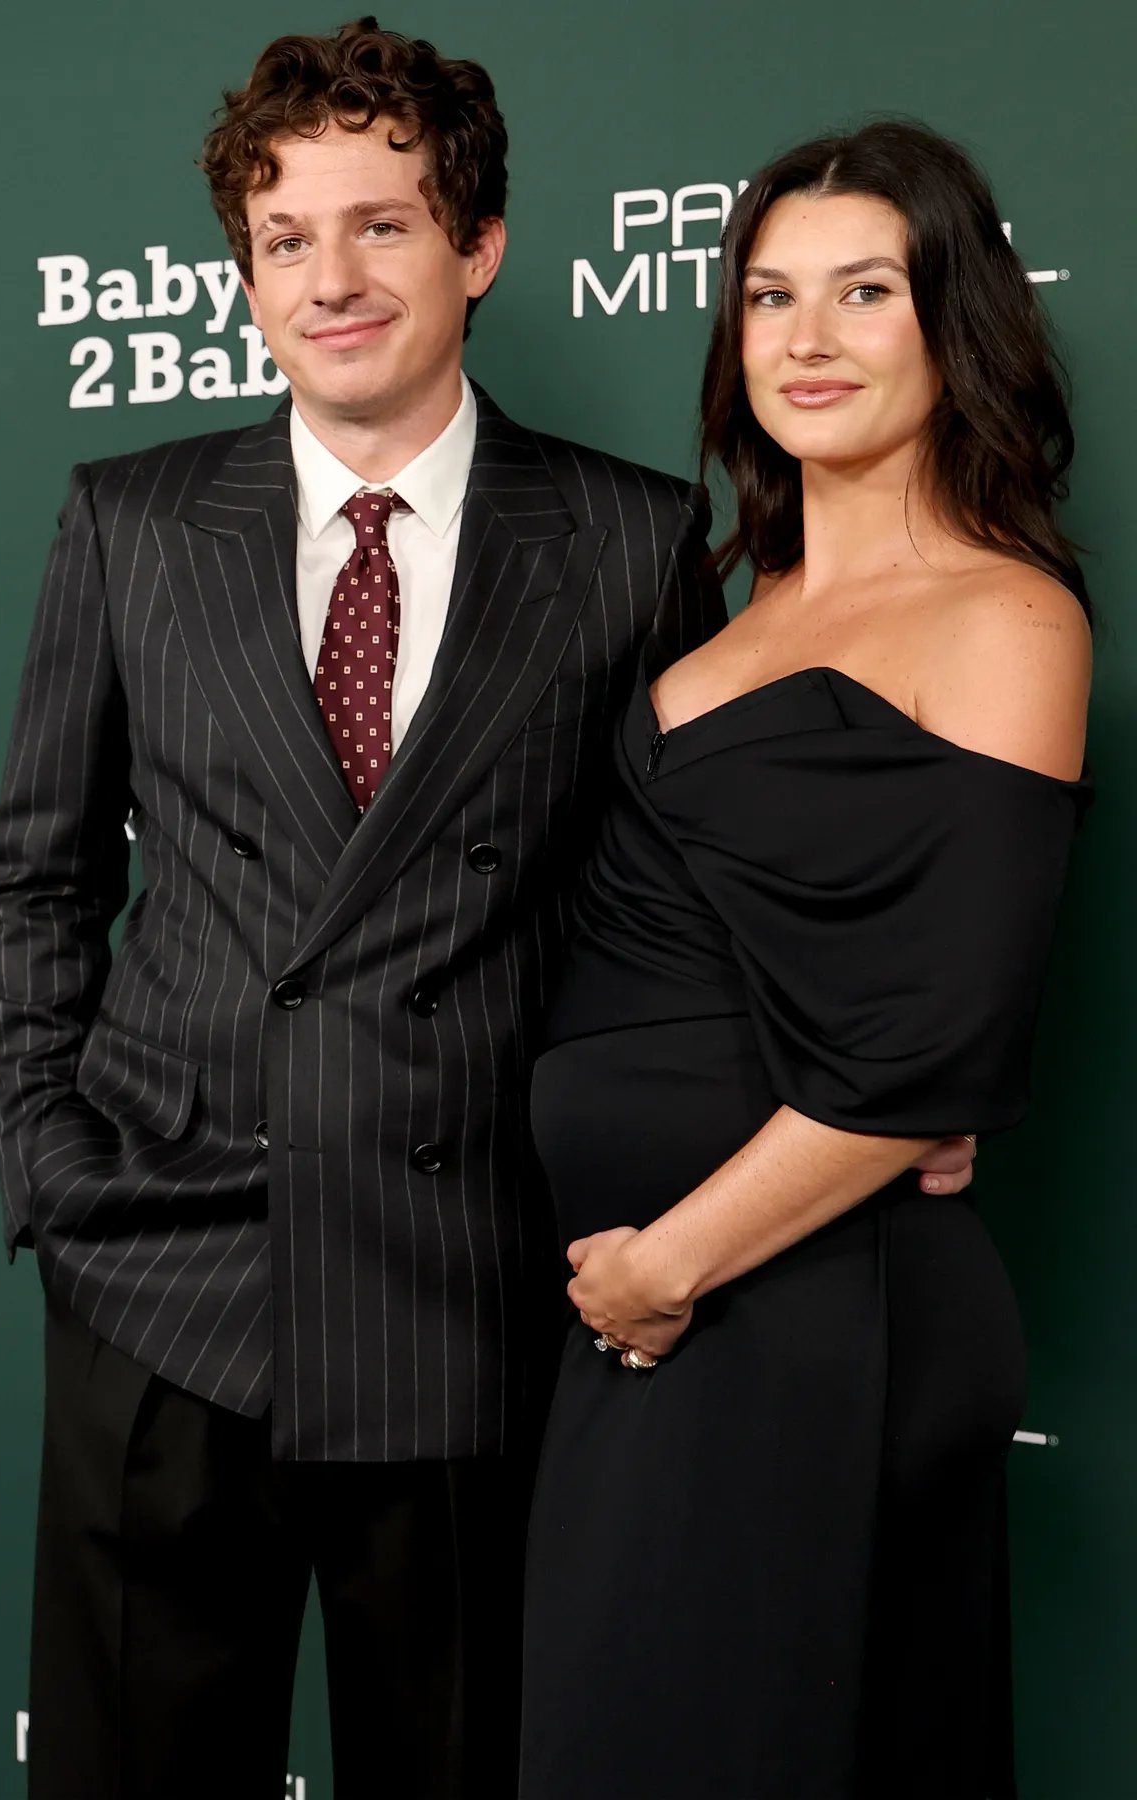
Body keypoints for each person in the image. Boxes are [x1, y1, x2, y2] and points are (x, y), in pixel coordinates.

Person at [0, 21, 975, 1796]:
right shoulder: (129, 521)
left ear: (480, 246)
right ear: (246, 273)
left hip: (473, 1301)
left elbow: (688, 894)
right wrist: (55, 1175)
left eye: (383, 225)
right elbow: (38, 878)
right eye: (288, 240)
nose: (332, 279)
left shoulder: (623, 536)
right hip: (160, 1287)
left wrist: (892, 1068)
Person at [520, 120, 1091, 1800]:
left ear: (954, 319)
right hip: (665, 1311)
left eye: (865, 290)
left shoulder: (1006, 615)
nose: (809, 338)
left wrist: (671, 1263)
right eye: (771, 296)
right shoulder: (730, 608)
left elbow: (932, 1045)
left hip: (793, 1306)